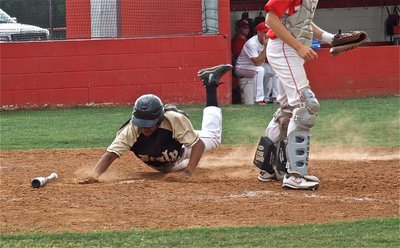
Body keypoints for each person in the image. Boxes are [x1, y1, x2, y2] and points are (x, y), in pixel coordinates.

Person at [78, 64, 232, 184]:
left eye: (149, 124)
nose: (144, 127)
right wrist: (95, 175)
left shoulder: (173, 119)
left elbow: (198, 145)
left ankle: (210, 84)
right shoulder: (132, 129)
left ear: (159, 119)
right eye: (141, 123)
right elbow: (110, 155)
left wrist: (189, 173)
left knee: (213, 137)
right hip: (168, 164)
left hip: (182, 148)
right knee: (173, 169)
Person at [255, 0, 338, 190]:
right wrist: (299, 47)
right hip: (285, 48)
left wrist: (329, 38)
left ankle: (268, 168)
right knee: (306, 107)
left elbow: (300, 21)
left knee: (288, 108)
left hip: (287, 49)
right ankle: (294, 175)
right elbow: (271, 20)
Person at [234, 22, 278, 105]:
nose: (267, 34)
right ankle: (258, 99)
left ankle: (275, 97)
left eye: (268, 32)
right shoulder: (252, 43)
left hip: (255, 66)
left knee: (275, 69)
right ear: (258, 33)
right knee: (260, 70)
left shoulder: (270, 41)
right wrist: (266, 47)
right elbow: (257, 62)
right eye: (264, 32)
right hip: (242, 67)